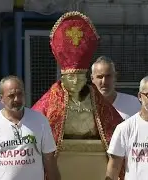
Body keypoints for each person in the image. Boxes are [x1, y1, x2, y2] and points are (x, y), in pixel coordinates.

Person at [32, 11, 124, 180]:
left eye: (80, 77)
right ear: (62, 77)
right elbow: (31, 127)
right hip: (60, 164)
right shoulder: (50, 101)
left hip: (95, 164)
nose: (75, 82)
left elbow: (119, 130)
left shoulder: (97, 100)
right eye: (71, 77)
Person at [0, 76, 60, 180]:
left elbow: (50, 160)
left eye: (20, 94)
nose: (17, 99)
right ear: (1, 98)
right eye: (11, 96)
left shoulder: (40, 121)